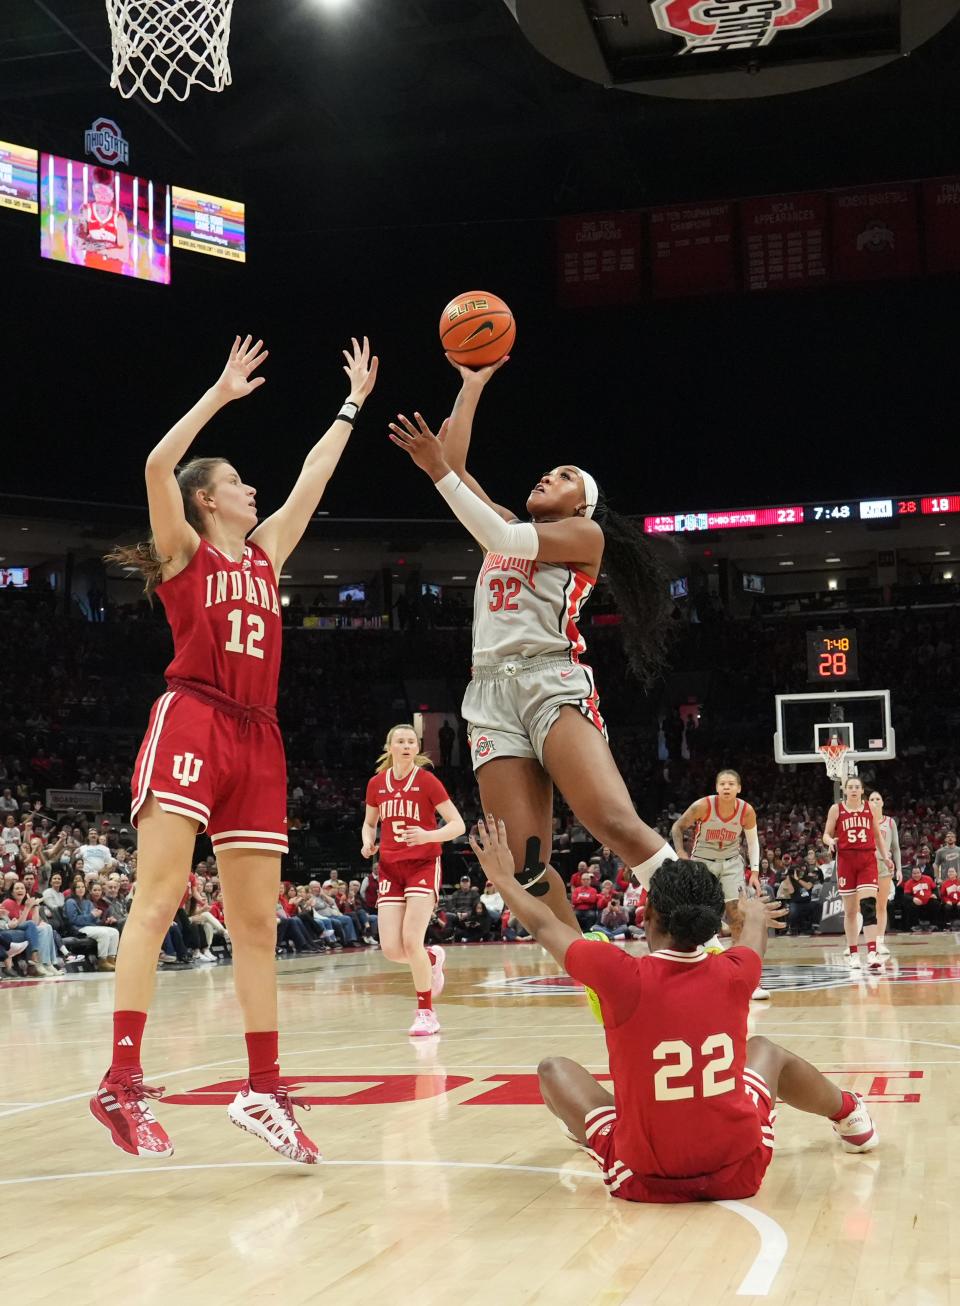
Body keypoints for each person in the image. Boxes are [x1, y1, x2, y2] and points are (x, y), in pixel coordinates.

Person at [92, 332, 378, 1163]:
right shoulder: (184, 551)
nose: (255, 490)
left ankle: (262, 1089)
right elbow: (155, 466)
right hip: (194, 719)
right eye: (238, 483)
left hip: (260, 736)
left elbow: (314, 476)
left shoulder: (266, 552)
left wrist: (352, 402)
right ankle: (121, 1082)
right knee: (160, 896)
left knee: (258, 922)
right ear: (209, 501)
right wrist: (218, 392)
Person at [387, 359, 681, 942]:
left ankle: (709, 935)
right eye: (549, 470)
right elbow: (457, 466)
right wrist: (472, 384)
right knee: (519, 864)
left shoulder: (583, 536)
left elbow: (480, 514)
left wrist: (439, 473)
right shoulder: (501, 522)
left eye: (565, 475)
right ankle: (590, 970)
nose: (548, 475)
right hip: (488, 693)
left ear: (581, 505)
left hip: (551, 680)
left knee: (613, 822)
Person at [469, 816, 878, 1204]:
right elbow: (753, 937)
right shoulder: (738, 972)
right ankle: (850, 1114)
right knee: (766, 1050)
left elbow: (543, 926)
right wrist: (752, 913)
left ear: (648, 916)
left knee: (553, 1070)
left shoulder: (618, 973)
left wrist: (503, 877)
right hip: (739, 1169)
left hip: (644, 1175)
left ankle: (590, 1133)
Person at [362, 724, 466, 1036]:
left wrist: (428, 835)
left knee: (411, 940)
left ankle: (426, 1012)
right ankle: (433, 957)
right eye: (400, 741)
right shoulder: (376, 784)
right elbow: (369, 823)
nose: (406, 746)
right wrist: (368, 841)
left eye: (411, 741)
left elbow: (457, 824)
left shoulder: (427, 781)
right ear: (389, 746)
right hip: (390, 868)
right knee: (392, 950)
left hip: (422, 864)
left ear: (416, 747)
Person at [670, 770, 767, 1000]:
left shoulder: (746, 810)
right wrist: (681, 851)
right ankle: (698, 973)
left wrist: (754, 871)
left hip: (732, 862)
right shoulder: (702, 806)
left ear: (739, 788)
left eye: (731, 784)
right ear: (716, 787)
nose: (726, 787)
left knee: (737, 917)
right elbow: (677, 828)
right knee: (702, 916)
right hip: (703, 862)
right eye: (722, 783)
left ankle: (746, 978)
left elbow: (752, 842)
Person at [823, 776, 892, 971]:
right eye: (850, 787)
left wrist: (886, 857)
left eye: (857, 787)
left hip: (867, 859)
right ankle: (853, 952)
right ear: (845, 790)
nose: (853, 790)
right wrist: (830, 842)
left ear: (862, 791)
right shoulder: (837, 809)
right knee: (851, 911)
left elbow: (877, 835)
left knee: (869, 906)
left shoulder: (871, 808)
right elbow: (826, 834)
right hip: (845, 861)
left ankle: (872, 952)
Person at [76, 167, 130, 273]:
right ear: (94, 191)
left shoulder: (119, 217)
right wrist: (108, 246)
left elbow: (125, 255)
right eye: (98, 192)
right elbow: (80, 243)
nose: (102, 197)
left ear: (111, 195)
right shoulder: (86, 210)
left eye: (105, 193)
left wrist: (97, 248)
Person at [868, 791, 901, 955]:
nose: (874, 801)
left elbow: (895, 847)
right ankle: (857, 942)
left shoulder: (889, 822)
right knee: (864, 906)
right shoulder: (865, 821)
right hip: (867, 866)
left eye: (877, 799)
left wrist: (900, 869)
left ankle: (879, 941)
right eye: (872, 799)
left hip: (884, 867)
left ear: (882, 802)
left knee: (881, 906)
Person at [902, 865, 940, 932]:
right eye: (914, 873)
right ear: (911, 874)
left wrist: (934, 894)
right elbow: (906, 895)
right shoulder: (908, 883)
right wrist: (913, 898)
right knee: (910, 905)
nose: (916, 875)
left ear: (921, 872)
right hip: (917, 903)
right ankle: (915, 925)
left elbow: (935, 889)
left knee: (935, 903)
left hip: (928, 902)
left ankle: (933, 924)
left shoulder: (928, 879)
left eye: (918, 873)